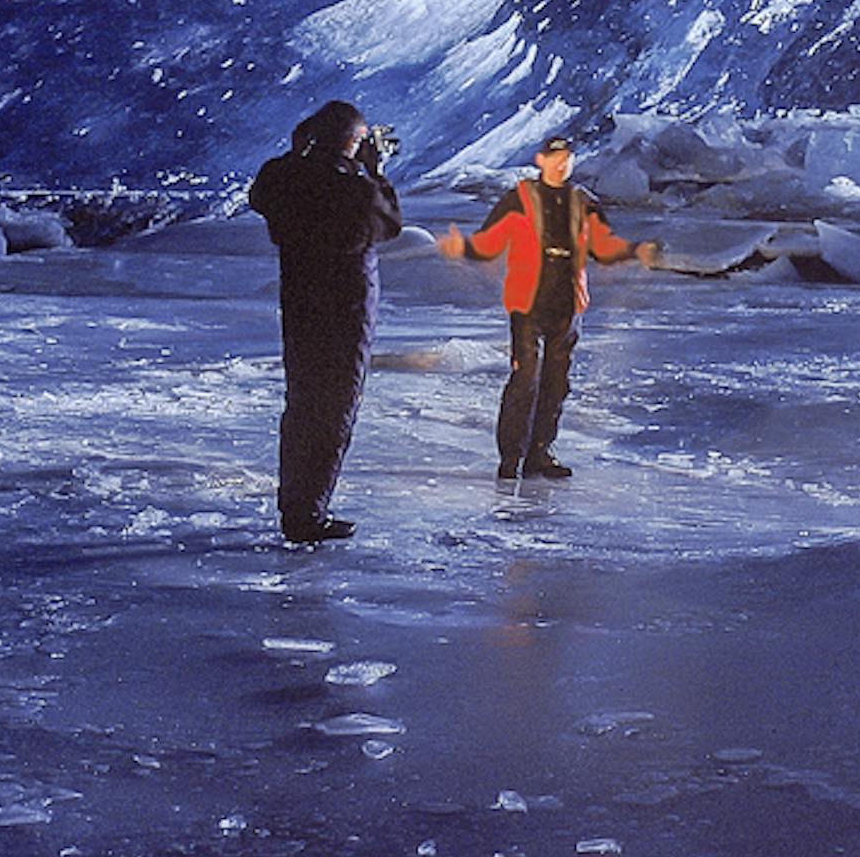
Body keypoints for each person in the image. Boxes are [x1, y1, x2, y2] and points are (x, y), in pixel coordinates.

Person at [432, 133, 660, 483]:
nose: (562, 162)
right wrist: (462, 247)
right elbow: (489, 241)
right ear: (540, 160)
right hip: (528, 303)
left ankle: (540, 454)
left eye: (568, 156)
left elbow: (602, 245)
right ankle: (511, 457)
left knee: (556, 384)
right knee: (525, 379)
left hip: (568, 305)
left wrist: (634, 250)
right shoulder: (519, 198)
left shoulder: (583, 201)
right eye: (555, 156)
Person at [247, 98, 403, 543]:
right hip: (346, 308)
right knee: (334, 408)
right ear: (354, 143)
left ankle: (294, 506)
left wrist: (301, 152)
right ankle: (307, 516)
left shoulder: (287, 179)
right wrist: (373, 169)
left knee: (301, 403)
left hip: (299, 302)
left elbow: (262, 190)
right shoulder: (354, 188)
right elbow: (389, 221)